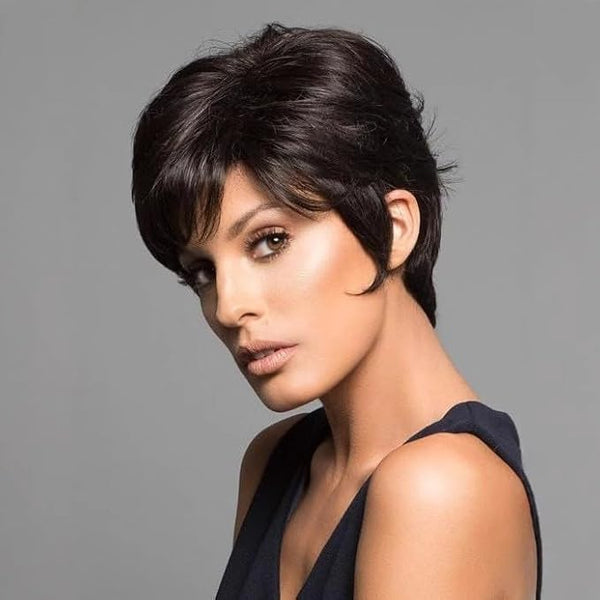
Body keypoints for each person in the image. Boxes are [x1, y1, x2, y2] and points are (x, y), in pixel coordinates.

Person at [130, 22, 542, 600]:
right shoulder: (275, 462)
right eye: (203, 271)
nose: (228, 305)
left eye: (269, 241)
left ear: (393, 229)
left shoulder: (441, 487)